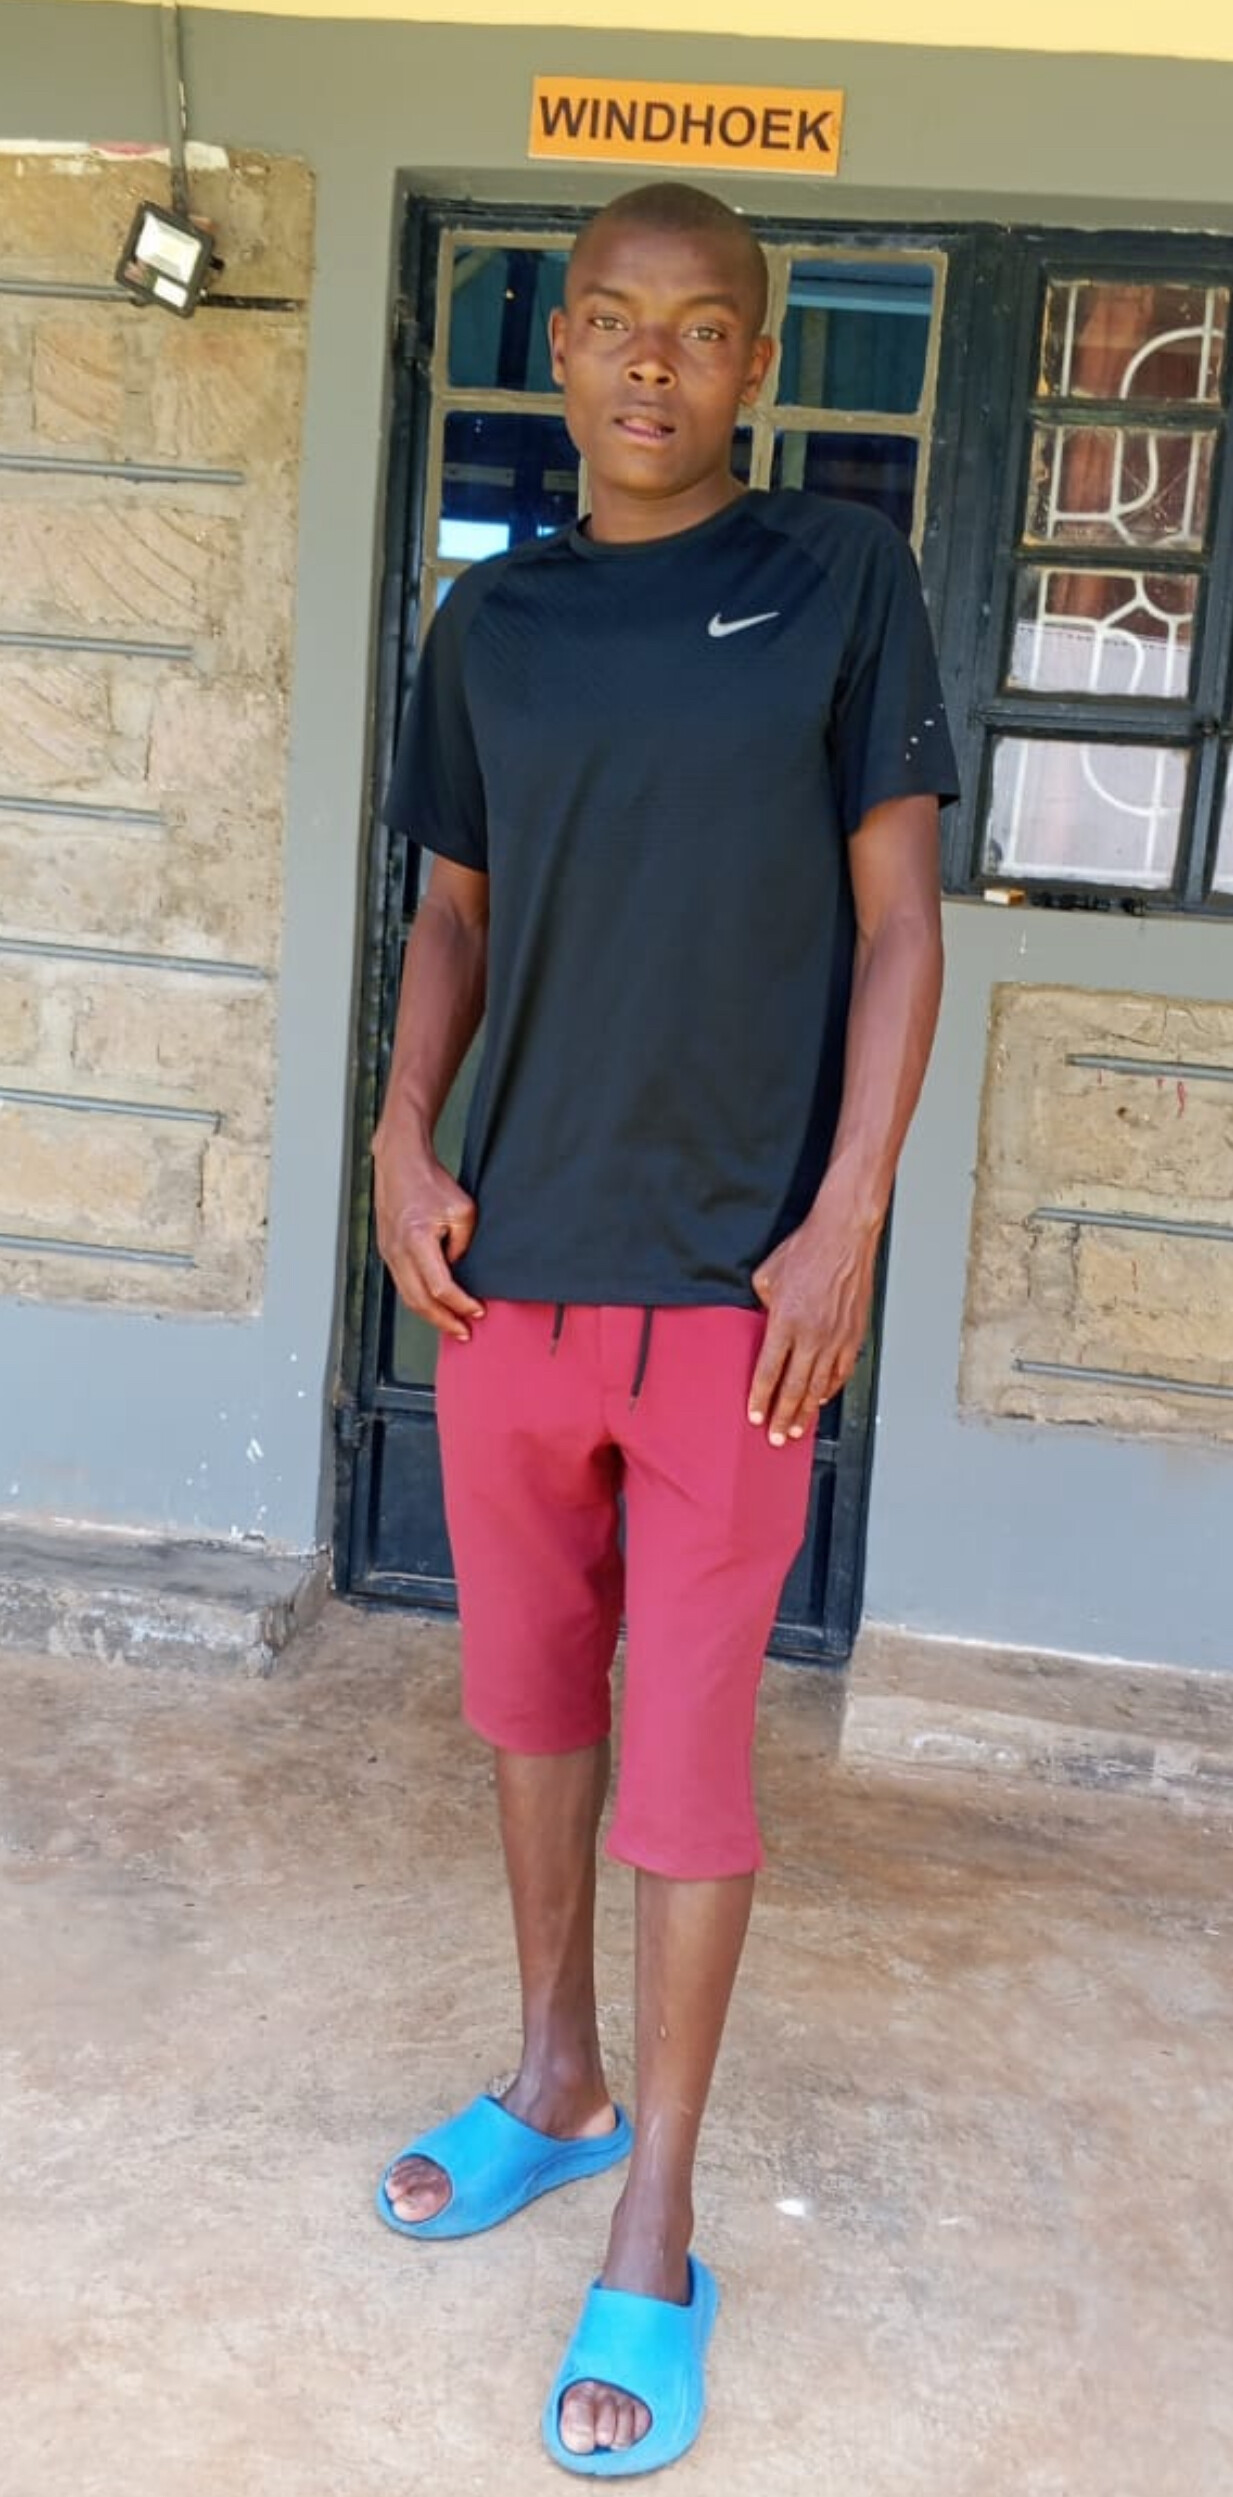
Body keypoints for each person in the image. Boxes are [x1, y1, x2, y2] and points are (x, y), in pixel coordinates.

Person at [371, 180, 958, 2477]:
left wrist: (844, 1219)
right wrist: (398, 1137)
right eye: (609, 321)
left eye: (697, 328)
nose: (646, 360)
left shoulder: (834, 580)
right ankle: (552, 2076)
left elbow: (897, 926)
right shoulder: (488, 624)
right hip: (507, 1267)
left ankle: (658, 2224)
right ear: (558, 351)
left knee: (689, 1766)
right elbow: (449, 913)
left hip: (735, 1298)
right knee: (528, 1700)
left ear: (755, 363)